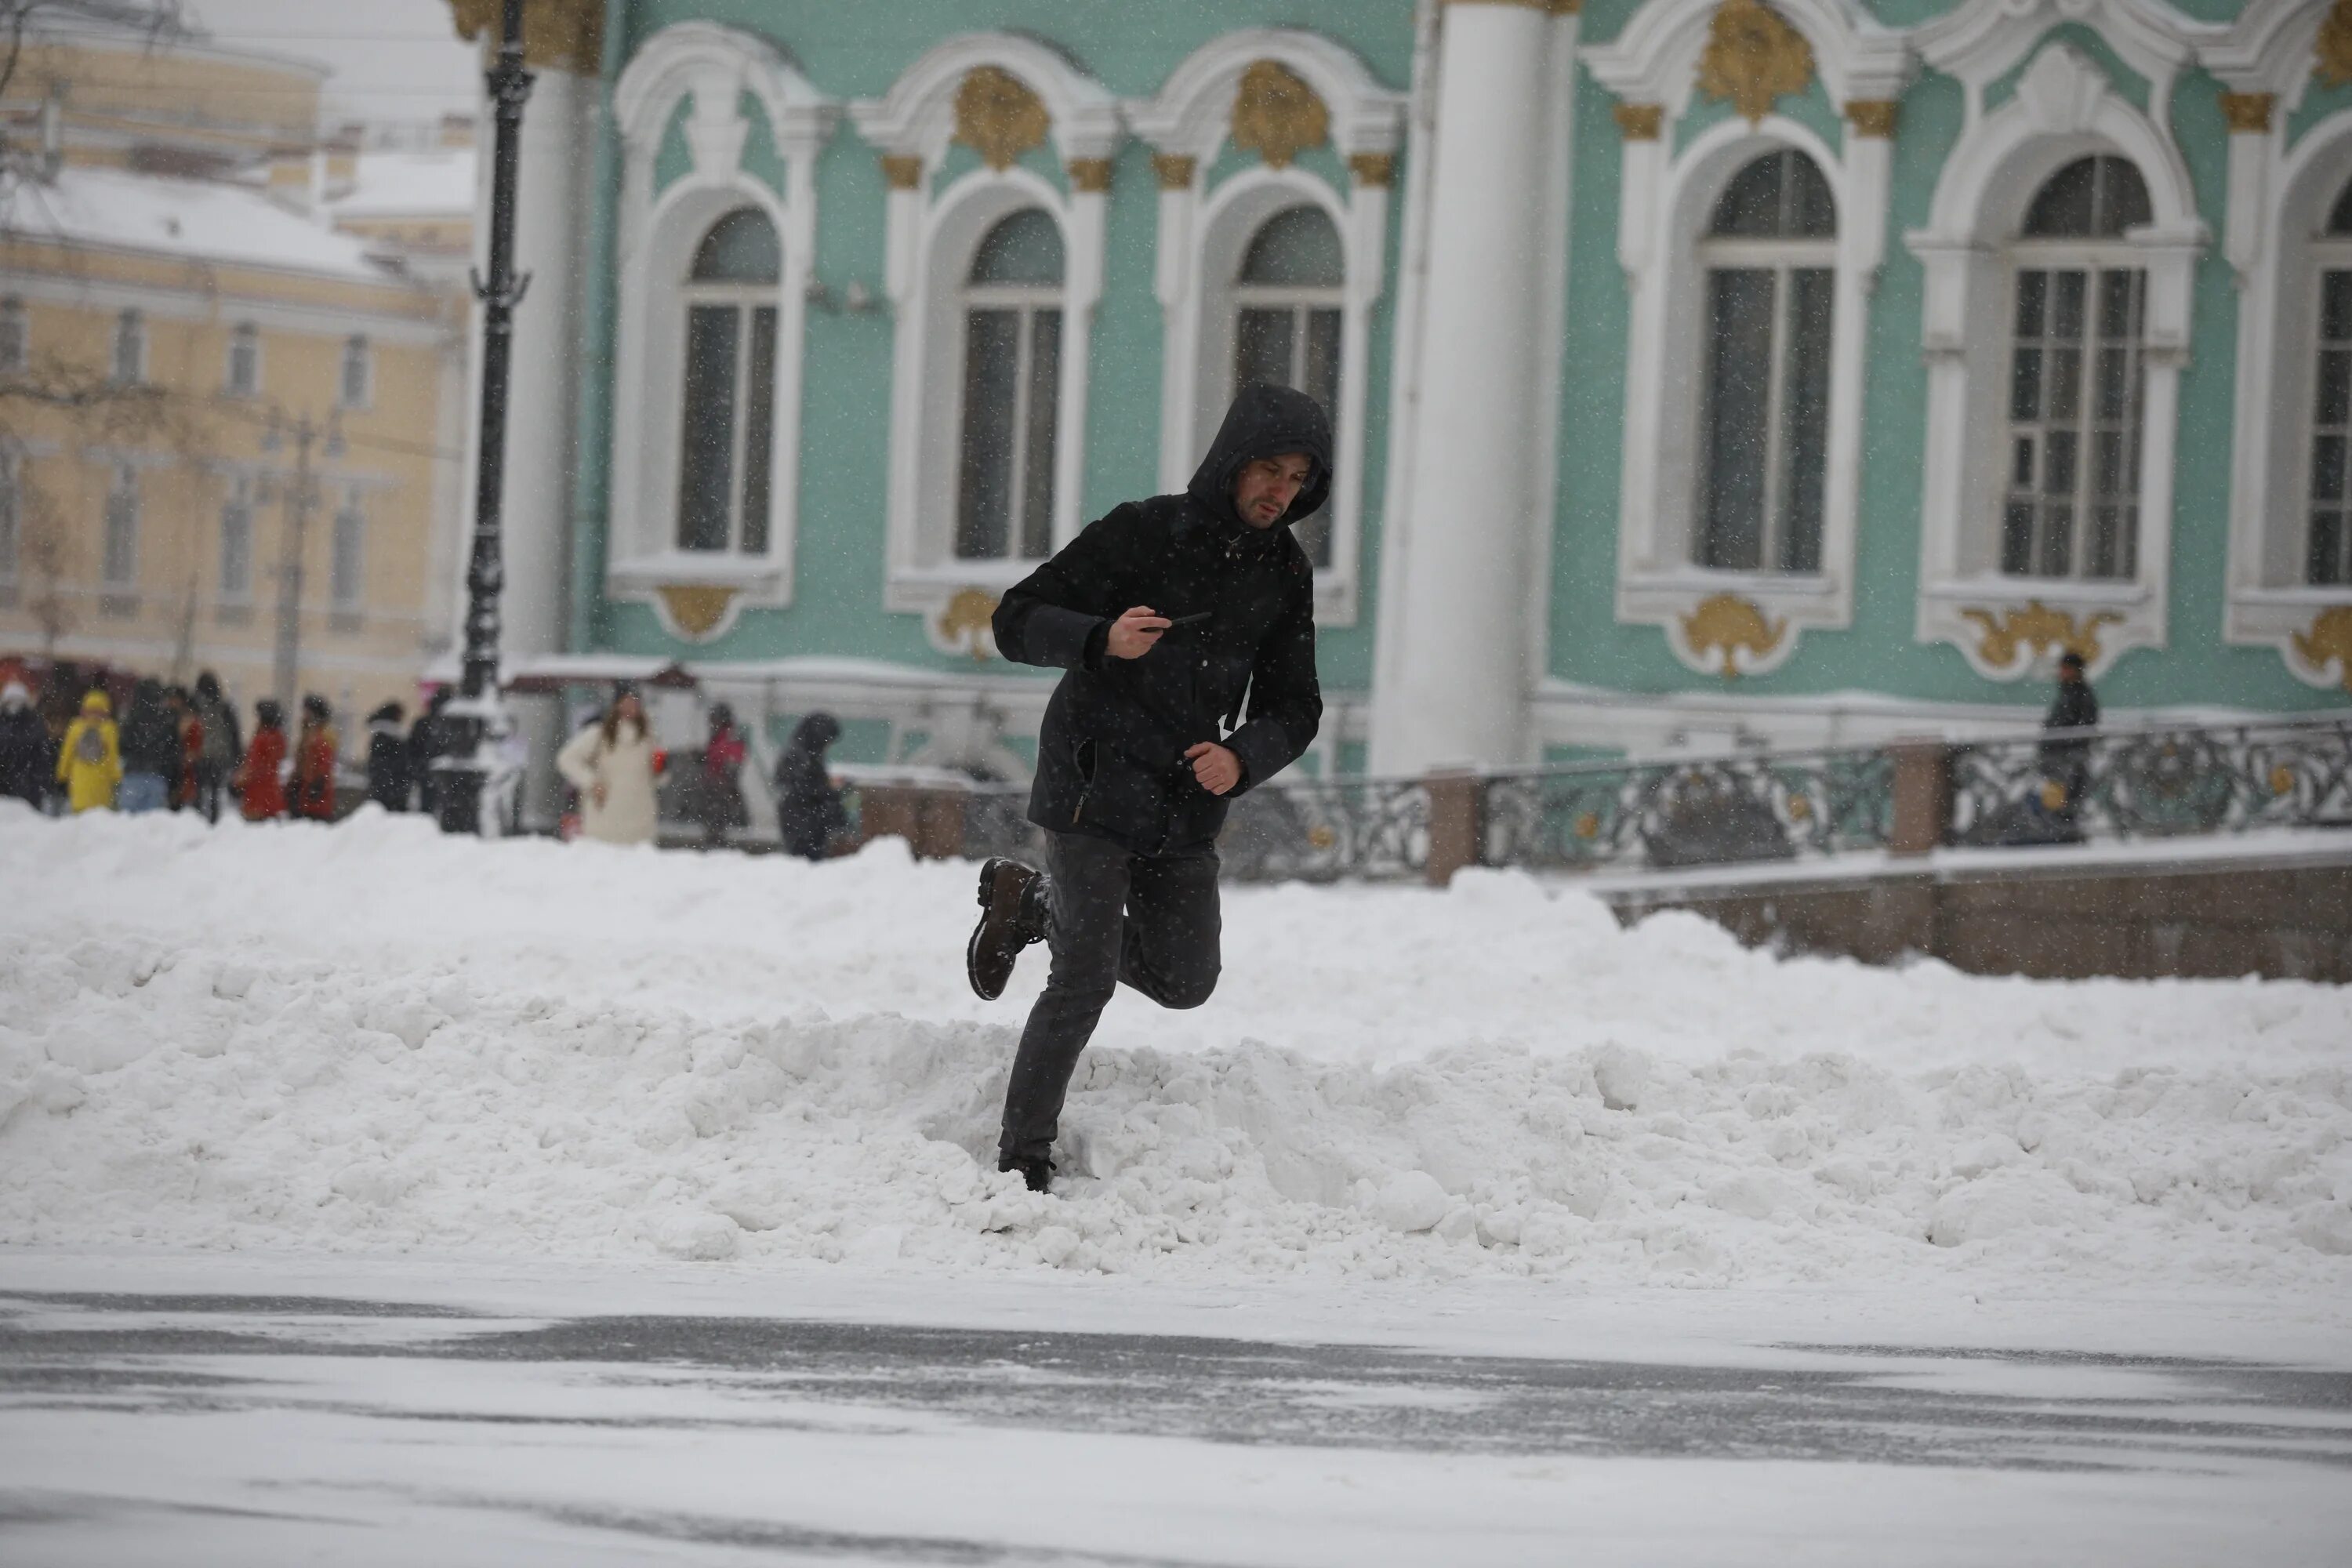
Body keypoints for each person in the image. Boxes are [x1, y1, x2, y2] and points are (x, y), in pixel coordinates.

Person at [966, 383, 1328, 1193]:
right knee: (1086, 974)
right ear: (1233, 461)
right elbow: (1015, 618)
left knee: (1185, 980)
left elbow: (1297, 704)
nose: (1280, 491)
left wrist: (1242, 759)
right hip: (1094, 777)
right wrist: (1100, 638)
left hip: (1187, 796)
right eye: (1268, 469)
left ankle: (1031, 907)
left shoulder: (1285, 573)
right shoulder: (1142, 531)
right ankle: (1023, 1157)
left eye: (1297, 478)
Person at [554, 683, 662, 847]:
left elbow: (656, 779)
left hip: (641, 820)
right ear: (616, 705)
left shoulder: (649, 738)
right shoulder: (599, 733)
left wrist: (660, 770)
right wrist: (592, 782)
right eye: (626, 702)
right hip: (605, 818)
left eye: (634, 702)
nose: (630, 707)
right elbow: (567, 759)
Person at [2038, 650, 2101, 832]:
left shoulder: (2080, 696)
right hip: (2060, 758)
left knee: (2065, 801)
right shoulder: (2071, 693)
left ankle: (2063, 832)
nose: (2062, 673)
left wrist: (2062, 744)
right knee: (2059, 799)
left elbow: (2082, 726)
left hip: (2067, 759)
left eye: (2066, 669)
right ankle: (2061, 831)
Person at [772, 712, 848, 862]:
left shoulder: (804, 751)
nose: (828, 746)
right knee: (804, 862)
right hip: (803, 824)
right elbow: (801, 787)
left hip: (805, 822)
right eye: (828, 740)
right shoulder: (800, 755)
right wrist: (828, 789)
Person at [116, 677, 180, 815]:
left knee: (128, 820)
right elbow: (172, 751)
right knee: (152, 822)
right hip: (156, 775)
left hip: (132, 774)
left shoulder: (131, 718)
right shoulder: (166, 719)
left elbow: (122, 747)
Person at [56, 689, 124, 814]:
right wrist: (116, 776)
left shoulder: (76, 727)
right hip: (102, 779)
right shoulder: (109, 728)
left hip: (79, 777)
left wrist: (62, 773)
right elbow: (113, 755)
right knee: (100, 816)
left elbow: (67, 752)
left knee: (80, 814)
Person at [693, 702, 750, 848]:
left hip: (721, 796)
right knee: (714, 830)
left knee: (718, 832)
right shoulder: (718, 738)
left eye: (714, 720)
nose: (712, 724)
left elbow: (732, 764)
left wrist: (719, 776)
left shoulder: (729, 737)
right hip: (714, 794)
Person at [191, 672, 241, 824]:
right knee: (214, 793)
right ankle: (213, 820)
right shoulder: (224, 708)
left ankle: (198, 819)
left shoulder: (196, 707)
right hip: (220, 756)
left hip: (202, 755)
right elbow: (234, 735)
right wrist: (237, 758)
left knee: (200, 791)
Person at [234, 699, 288, 821]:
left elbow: (253, 767)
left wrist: (237, 783)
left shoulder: (261, 740)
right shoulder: (279, 738)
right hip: (273, 796)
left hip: (256, 797)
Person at [0, 680, 49, 808]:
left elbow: (42, 757)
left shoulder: (34, 723)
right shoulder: (3, 723)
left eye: (18, 701)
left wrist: (39, 781)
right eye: (10, 701)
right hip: (5, 785)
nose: (14, 705)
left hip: (28, 785)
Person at [290, 695, 339, 821]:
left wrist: (316, 786)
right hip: (306, 795)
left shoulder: (322, 736)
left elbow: (323, 766)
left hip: (315, 799)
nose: (303, 715)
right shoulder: (309, 734)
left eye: (306, 711)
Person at [410, 688, 451, 820]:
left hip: (426, 771)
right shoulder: (451, 724)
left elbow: (413, 748)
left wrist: (416, 768)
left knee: (427, 806)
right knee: (445, 806)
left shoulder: (423, 723)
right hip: (443, 773)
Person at [365, 701, 411, 811]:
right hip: (390, 786)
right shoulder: (390, 737)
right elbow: (390, 763)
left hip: (386, 785)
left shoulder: (383, 736)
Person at [167, 686, 203, 811]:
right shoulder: (174, 719)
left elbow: (193, 751)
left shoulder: (192, 725)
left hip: (185, 772)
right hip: (180, 770)